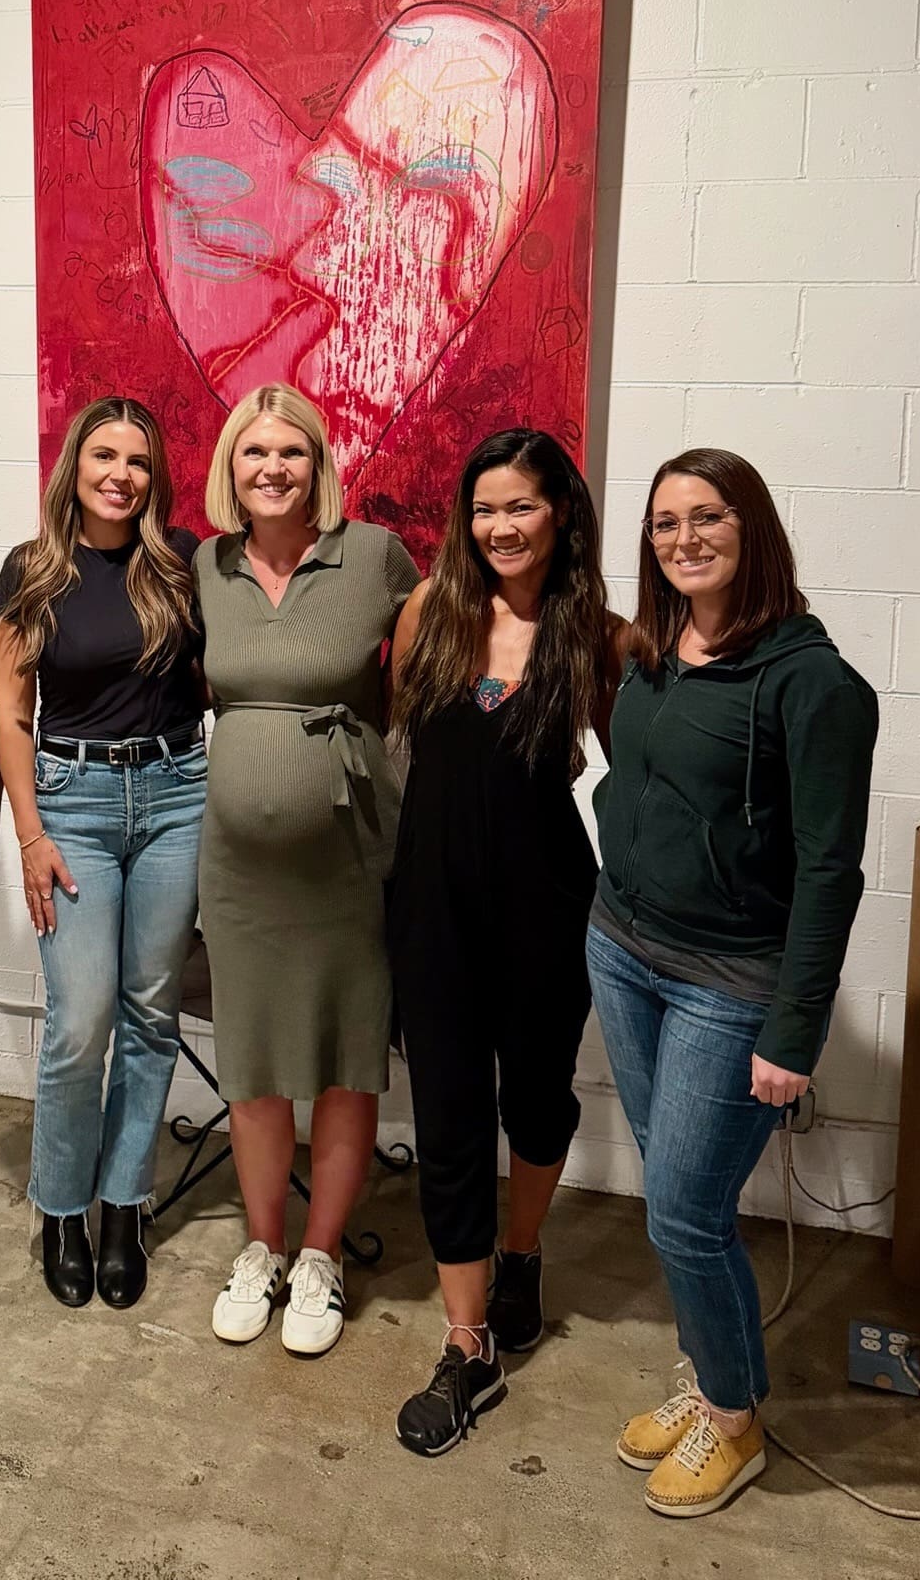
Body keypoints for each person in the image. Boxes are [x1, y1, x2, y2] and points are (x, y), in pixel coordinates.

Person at [589, 448, 877, 1518]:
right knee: (682, 1196)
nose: (684, 538)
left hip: (729, 983)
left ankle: (735, 1417)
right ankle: (717, 1378)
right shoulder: (657, 648)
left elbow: (828, 869)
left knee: (682, 1213)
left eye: (708, 517)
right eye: (665, 523)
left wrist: (793, 1032)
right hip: (622, 947)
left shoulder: (814, 683)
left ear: (751, 528)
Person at [386, 429, 624, 1456]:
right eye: (485, 507)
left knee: (535, 1098)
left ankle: (521, 1250)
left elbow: (640, 772)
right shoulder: (431, 613)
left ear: (560, 512)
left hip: (546, 905)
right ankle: (467, 1339)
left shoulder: (598, 637)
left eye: (521, 505)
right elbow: (407, 746)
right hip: (431, 904)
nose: (501, 525)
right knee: (445, 1115)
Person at [194, 383, 419, 1358]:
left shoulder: (370, 554)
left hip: (346, 852)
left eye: (292, 451)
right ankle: (261, 1244)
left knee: (341, 1055)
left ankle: (321, 1255)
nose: (273, 467)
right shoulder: (203, 565)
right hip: (236, 863)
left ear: (318, 464)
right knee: (251, 1059)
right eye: (255, 452)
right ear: (230, 469)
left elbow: (422, 674)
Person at [0, 397, 204, 1311]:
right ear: (74, 465)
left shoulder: (183, 563)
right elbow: (8, 713)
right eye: (104, 456)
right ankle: (62, 1208)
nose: (121, 474)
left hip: (175, 795)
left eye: (139, 461)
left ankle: (126, 1204)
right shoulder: (32, 569)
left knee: (153, 1014)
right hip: (71, 803)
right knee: (81, 1023)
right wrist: (30, 833)